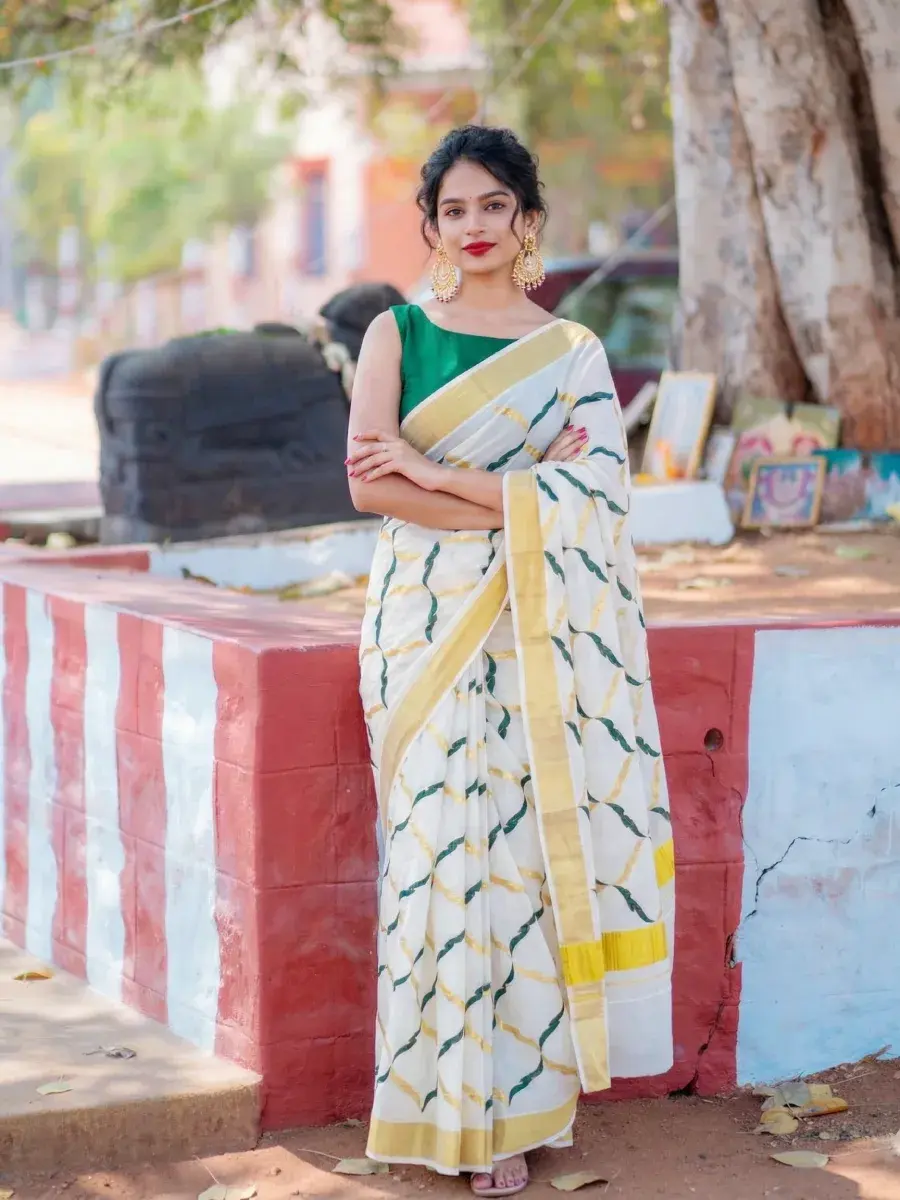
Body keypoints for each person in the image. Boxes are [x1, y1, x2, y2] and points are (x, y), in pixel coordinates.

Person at [347, 125, 674, 1197]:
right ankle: (443, 1111)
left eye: (496, 207)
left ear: (526, 219)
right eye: (455, 210)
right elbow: (367, 487)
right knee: (443, 858)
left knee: (524, 863)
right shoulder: (395, 334)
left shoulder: (571, 352)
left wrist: (443, 473)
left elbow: (600, 500)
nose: (476, 227)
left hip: (537, 640)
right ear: (432, 226)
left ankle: (520, 1115)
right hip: (425, 632)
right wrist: (514, 492)